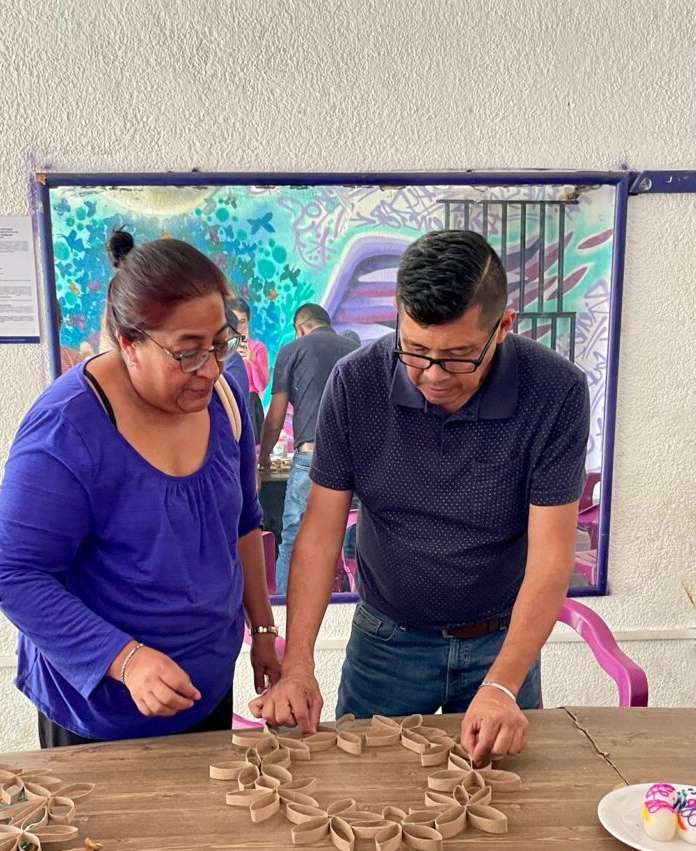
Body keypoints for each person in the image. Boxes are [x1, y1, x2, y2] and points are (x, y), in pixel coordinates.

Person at [254, 230, 590, 764]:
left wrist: (503, 685)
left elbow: (552, 555)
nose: (432, 374)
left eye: (458, 356)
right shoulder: (355, 383)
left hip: (500, 644)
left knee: (504, 804)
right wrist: (298, 665)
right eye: (414, 349)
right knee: (362, 796)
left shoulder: (556, 391)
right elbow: (318, 535)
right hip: (387, 641)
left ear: (503, 328)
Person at [0, 229, 281, 747]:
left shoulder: (226, 398)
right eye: (188, 353)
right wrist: (126, 659)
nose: (210, 368)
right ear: (129, 344)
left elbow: (244, 524)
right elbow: (13, 574)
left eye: (220, 343)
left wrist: (261, 631)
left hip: (204, 692)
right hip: (99, 715)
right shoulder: (67, 430)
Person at [259, 303, 359, 592]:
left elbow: (276, 415)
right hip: (352, 457)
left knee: (293, 535)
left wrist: (264, 456)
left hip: (311, 455)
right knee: (347, 539)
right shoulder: (353, 350)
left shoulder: (293, 350)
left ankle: (283, 611)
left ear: (300, 328)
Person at [228, 297, 270, 441]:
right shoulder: (221, 348)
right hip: (228, 399)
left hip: (251, 402)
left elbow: (261, 386)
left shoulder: (258, 348)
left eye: (242, 322)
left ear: (248, 321)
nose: (238, 327)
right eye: (235, 322)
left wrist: (252, 360)